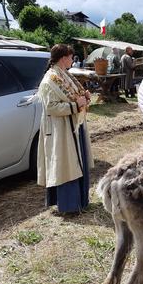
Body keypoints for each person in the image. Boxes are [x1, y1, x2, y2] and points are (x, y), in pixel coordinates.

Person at [36, 44, 94, 214]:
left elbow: (75, 94)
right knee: (66, 166)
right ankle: (69, 206)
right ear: (63, 58)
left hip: (73, 127)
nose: (72, 59)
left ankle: (81, 202)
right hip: (61, 131)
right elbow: (51, 107)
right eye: (70, 57)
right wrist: (75, 105)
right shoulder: (50, 79)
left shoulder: (64, 74)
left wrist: (84, 97)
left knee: (76, 163)